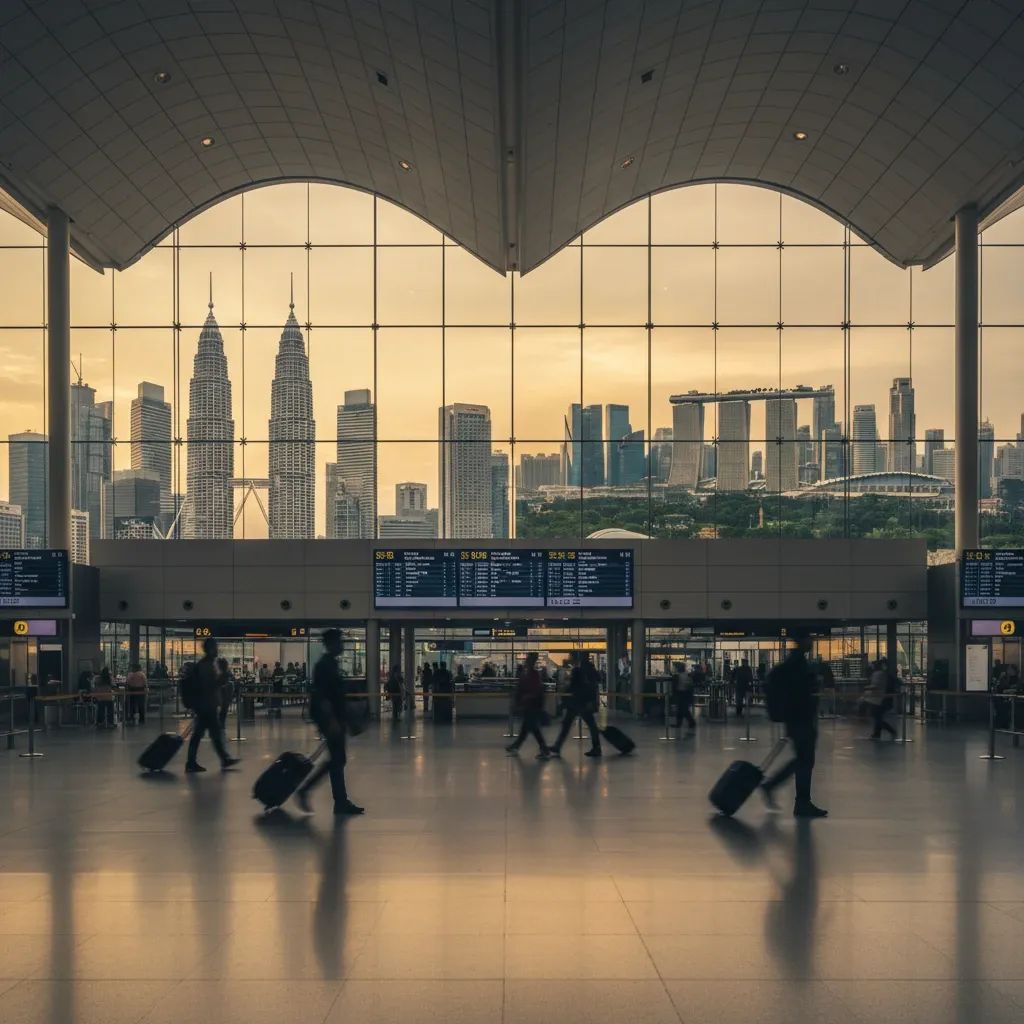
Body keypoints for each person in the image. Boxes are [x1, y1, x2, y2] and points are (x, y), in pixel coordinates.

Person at [296, 629, 363, 815]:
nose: (342, 645)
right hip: (330, 719)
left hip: (335, 718)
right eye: (339, 641)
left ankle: (338, 800)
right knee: (337, 759)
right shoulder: (324, 666)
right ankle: (310, 792)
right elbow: (322, 697)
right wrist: (332, 721)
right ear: (331, 643)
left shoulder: (331, 664)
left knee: (337, 759)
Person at [761, 633, 827, 818]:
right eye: (809, 638)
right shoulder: (797, 664)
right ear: (803, 641)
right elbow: (801, 692)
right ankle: (800, 802)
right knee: (805, 760)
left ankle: (792, 796)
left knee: (803, 759)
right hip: (801, 718)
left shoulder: (795, 662)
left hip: (796, 718)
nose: (812, 642)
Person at [185, 638, 240, 773]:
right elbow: (210, 685)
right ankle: (194, 762)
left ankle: (222, 759)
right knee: (204, 734)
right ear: (210, 649)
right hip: (206, 705)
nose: (217, 650)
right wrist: (224, 674)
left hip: (206, 704)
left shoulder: (207, 664)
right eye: (215, 647)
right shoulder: (206, 666)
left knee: (208, 733)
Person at [550, 652, 602, 758]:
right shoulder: (590, 669)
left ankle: (558, 746)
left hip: (577, 702)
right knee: (590, 725)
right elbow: (597, 681)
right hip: (584, 701)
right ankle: (596, 747)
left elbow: (573, 687)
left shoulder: (578, 670)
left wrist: (564, 701)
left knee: (568, 724)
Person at [506, 652, 551, 758]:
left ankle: (543, 749)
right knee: (528, 728)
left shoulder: (533, 674)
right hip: (530, 705)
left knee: (532, 728)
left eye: (527, 660)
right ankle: (517, 746)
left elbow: (534, 690)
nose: (526, 662)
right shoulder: (530, 673)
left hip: (531, 705)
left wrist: (525, 698)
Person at [672, 661, 696, 732]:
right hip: (685, 694)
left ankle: (691, 723)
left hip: (683, 694)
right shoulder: (686, 675)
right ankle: (681, 723)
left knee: (683, 710)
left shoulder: (680, 676)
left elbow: (679, 686)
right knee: (682, 710)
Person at [216, 656, 236, 732]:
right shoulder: (228, 673)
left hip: (221, 696)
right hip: (226, 696)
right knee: (223, 711)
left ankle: (220, 725)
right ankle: (221, 725)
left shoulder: (219, 674)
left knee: (221, 711)